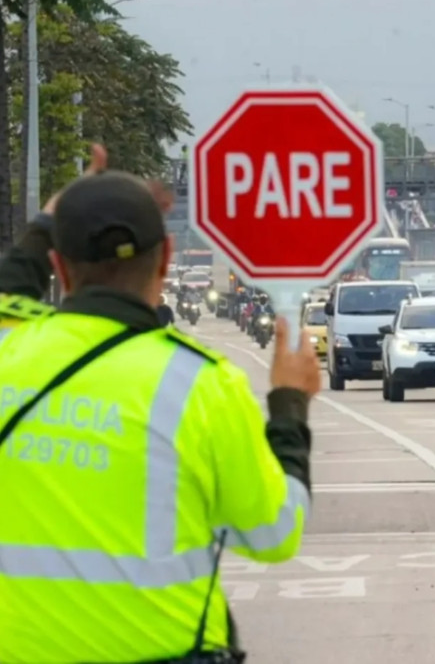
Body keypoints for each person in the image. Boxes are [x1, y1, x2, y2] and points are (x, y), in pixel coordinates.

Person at [0, 154, 320, 662]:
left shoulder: (7, 351)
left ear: (60, 266)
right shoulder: (201, 384)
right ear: (167, 257)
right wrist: (289, 406)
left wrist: (49, 221)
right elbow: (274, 533)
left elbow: (9, 290)